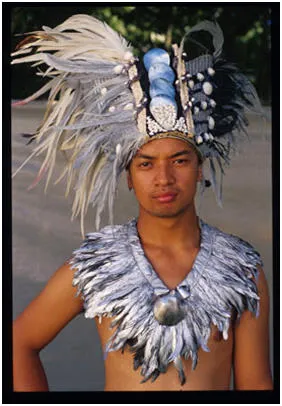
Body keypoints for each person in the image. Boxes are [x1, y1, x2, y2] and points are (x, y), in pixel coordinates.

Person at [12, 15, 273, 391]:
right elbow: (19, 342)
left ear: (200, 168)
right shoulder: (97, 263)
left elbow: (256, 385)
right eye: (146, 164)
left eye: (179, 161)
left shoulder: (242, 269)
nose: (163, 179)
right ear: (129, 176)